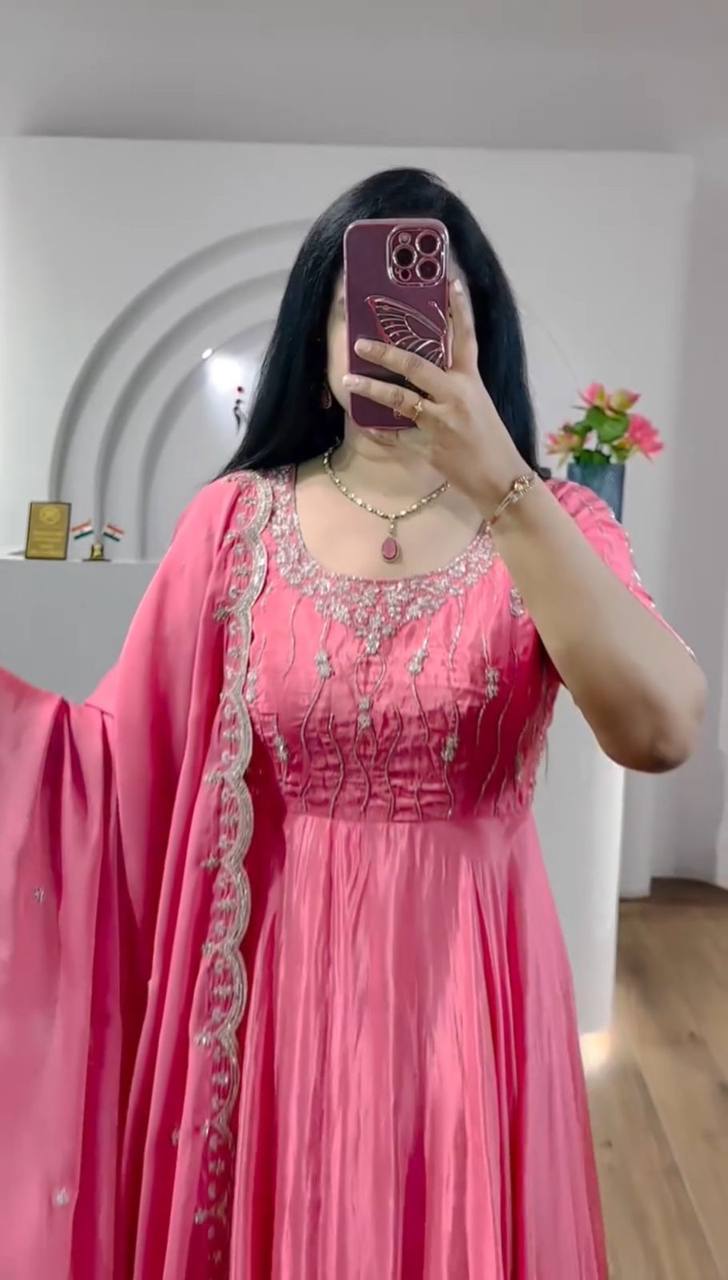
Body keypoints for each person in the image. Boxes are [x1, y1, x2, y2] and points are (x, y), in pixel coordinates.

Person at [0, 168, 705, 1279]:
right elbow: (106, 768)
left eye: (432, 307)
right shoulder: (233, 524)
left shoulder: (553, 521)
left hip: (467, 985)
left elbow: (659, 730)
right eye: (352, 308)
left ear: (480, 334)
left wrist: (501, 482)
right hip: (273, 1000)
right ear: (316, 342)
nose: (386, 334)